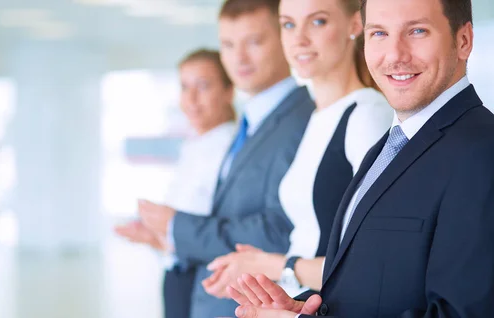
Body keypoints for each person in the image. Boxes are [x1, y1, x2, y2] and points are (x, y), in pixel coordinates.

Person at [227, 0, 494, 317]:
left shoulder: (481, 152)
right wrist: (309, 311)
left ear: (464, 40)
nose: (395, 54)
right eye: (379, 33)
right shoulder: (388, 147)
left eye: (418, 31)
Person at [203, 0, 392, 300]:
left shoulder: (367, 115)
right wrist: (258, 268)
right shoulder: (317, 117)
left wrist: (275, 264)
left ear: (356, 25)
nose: (299, 39)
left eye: (318, 22)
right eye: (289, 24)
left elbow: (378, 260)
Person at [137, 0, 316, 316]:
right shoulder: (251, 122)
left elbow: (280, 229)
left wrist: (179, 227)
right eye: (229, 45)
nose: (239, 58)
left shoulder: (304, 121)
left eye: (254, 42)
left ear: (285, 36)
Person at [115, 48, 237, 318]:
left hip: (203, 280)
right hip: (179, 274)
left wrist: (168, 234)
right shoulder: (195, 143)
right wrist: (156, 237)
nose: (191, 99)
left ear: (229, 90)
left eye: (203, 86)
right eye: (185, 87)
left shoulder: (231, 148)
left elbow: (216, 233)